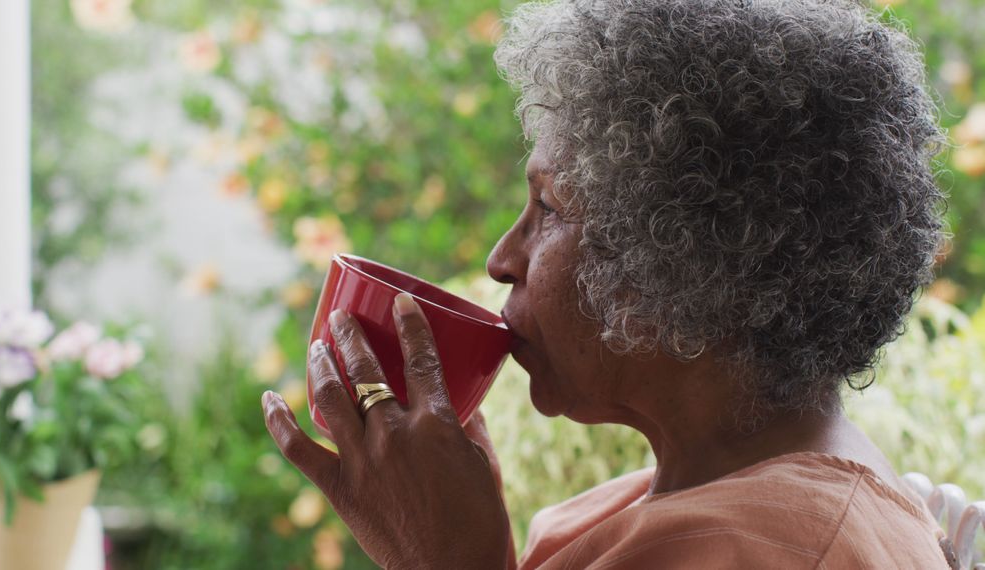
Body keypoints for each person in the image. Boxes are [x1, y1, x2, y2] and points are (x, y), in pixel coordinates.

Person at [262, 0, 954, 567]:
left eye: (549, 209)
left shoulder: (777, 549)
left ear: (689, 265)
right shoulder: (692, 504)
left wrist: (441, 558)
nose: (503, 258)